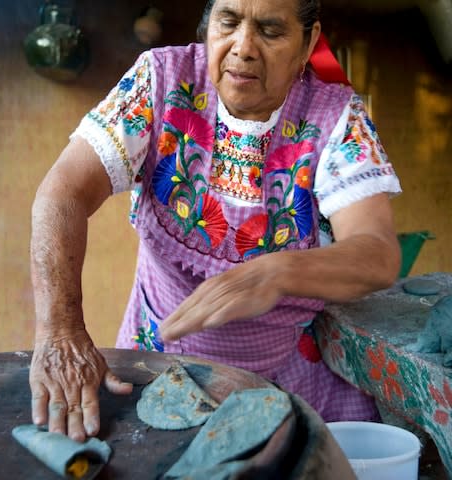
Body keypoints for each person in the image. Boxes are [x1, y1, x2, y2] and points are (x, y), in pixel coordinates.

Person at [29, 0, 402, 442]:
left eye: (269, 30)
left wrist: (277, 272)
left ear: (308, 44)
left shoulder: (336, 116)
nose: (243, 48)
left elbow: (376, 252)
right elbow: (62, 194)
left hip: (279, 381)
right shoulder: (161, 80)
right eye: (229, 22)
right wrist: (60, 331)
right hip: (154, 369)